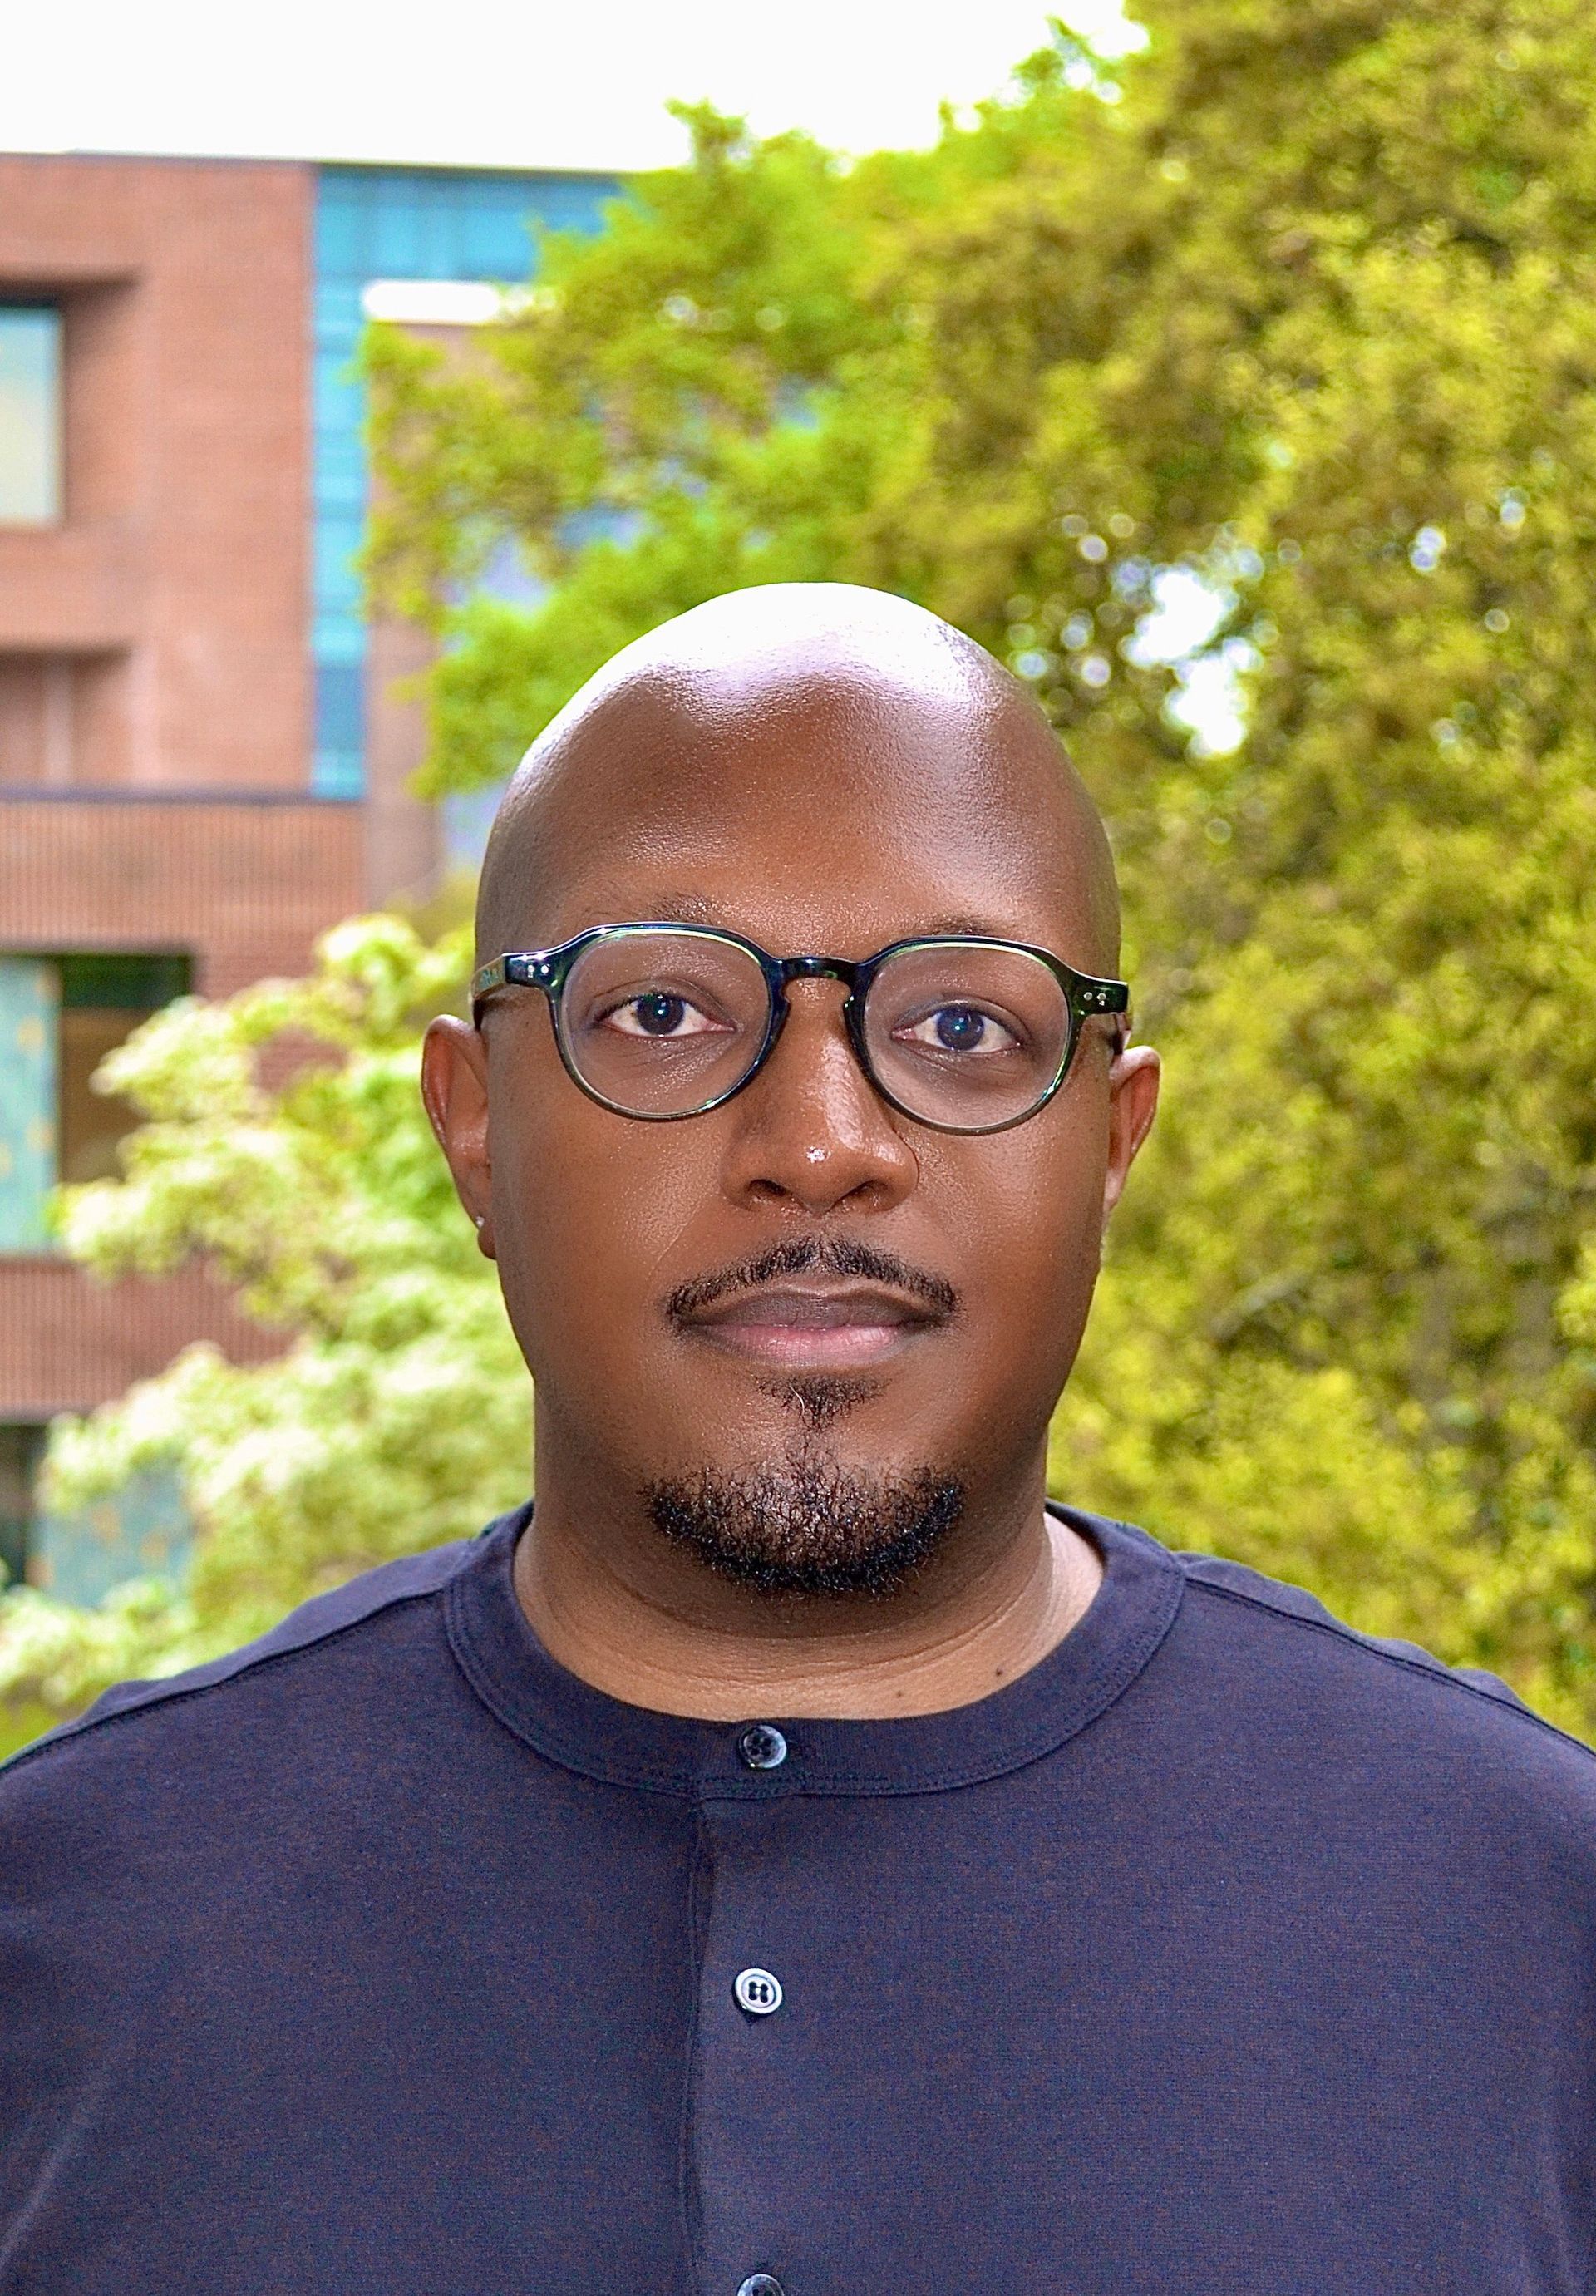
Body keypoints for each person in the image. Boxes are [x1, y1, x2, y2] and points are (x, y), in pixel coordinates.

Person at [2, 584, 1594, 2295]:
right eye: (666, 1013)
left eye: (963, 1028)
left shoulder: (1527, 1920)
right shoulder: (66, 1936)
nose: (821, 1143)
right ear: (473, 1131)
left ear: (1111, 1143)